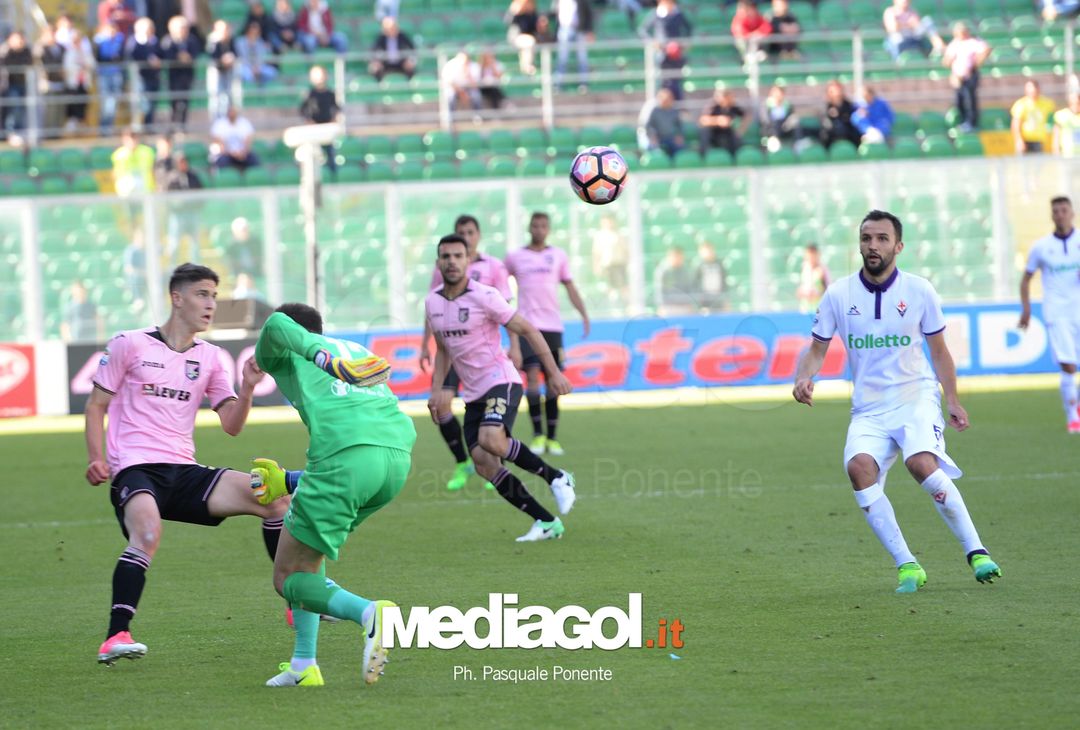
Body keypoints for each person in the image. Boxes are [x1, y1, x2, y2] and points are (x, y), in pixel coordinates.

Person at [86, 263, 287, 665]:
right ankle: (116, 635)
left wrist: (247, 387)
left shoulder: (211, 357)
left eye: (214, 295)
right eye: (202, 294)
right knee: (146, 531)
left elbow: (231, 425)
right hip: (136, 468)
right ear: (177, 298)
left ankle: (297, 598)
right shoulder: (129, 343)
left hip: (183, 470)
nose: (211, 304)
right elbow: (96, 406)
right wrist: (97, 457)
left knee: (274, 501)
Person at [793, 210, 1001, 593]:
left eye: (882, 239)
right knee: (858, 469)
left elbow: (939, 352)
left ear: (898, 246)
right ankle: (907, 564)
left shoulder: (919, 290)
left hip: (915, 396)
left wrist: (951, 399)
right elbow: (816, 349)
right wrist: (804, 376)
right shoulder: (839, 294)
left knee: (921, 462)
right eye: (866, 238)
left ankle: (977, 552)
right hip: (868, 408)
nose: (873, 246)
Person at [248, 303, 410, 687]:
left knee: (286, 577)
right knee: (308, 553)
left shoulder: (297, 354)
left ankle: (370, 613)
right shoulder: (355, 351)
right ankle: (304, 665)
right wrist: (288, 481)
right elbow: (361, 448)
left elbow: (273, 326)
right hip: (394, 461)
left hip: (345, 460)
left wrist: (317, 356)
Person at [427, 234, 577, 542]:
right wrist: (439, 389)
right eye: (446, 256)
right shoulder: (433, 302)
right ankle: (547, 522)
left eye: (458, 255)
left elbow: (527, 328)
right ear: (438, 262)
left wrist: (552, 373)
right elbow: (442, 348)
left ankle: (557, 477)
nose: (452, 261)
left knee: (492, 439)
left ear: (469, 260)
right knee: (484, 463)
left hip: (501, 380)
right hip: (473, 393)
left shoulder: (485, 295)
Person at [419, 215, 511, 491]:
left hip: (482, 354)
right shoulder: (446, 267)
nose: (467, 236)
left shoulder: (494, 266)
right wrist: (425, 344)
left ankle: (495, 463)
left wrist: (514, 347)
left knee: (490, 406)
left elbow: (507, 310)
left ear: (478, 235)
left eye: (470, 232)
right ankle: (462, 462)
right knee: (440, 405)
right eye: (462, 232)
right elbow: (433, 307)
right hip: (451, 351)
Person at [505, 212, 590, 456]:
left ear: (548, 229)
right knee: (532, 378)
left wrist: (583, 313)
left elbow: (570, 286)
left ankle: (552, 438)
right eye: (535, 225)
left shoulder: (558, 256)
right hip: (527, 326)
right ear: (529, 228)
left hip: (552, 326)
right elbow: (501, 285)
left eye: (543, 226)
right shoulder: (515, 257)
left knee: (554, 381)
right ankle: (538, 435)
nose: (539, 229)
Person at [1019, 197, 1080, 433]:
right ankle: (1073, 416)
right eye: (1055, 211)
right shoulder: (1041, 247)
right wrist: (1026, 309)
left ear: (1072, 213)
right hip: (1057, 312)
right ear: (1051, 215)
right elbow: (1026, 279)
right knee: (1068, 365)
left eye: (1063, 210)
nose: (1060, 214)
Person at [942, 22, 990, 133]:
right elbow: (946, 61)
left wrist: (975, 63)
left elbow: (985, 50)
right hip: (957, 76)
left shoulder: (973, 42)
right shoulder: (954, 44)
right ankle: (963, 121)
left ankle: (972, 122)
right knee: (959, 100)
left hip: (970, 74)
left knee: (970, 98)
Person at [158, 15, 202, 129]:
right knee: (174, 101)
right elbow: (166, 56)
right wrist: (178, 58)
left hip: (187, 75)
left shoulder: (192, 40)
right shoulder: (168, 41)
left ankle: (183, 125)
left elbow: (196, 54)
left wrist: (188, 58)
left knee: (185, 101)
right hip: (174, 76)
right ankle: (173, 124)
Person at [299, 65, 341, 171]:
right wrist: (309, 122)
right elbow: (303, 111)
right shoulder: (309, 94)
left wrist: (333, 121)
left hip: (327, 128)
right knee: (314, 154)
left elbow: (336, 108)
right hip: (314, 129)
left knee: (330, 153)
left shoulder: (330, 93)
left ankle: (332, 175)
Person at [124, 17, 161, 128]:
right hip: (140, 78)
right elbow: (131, 57)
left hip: (153, 77)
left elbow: (161, 54)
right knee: (142, 104)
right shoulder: (134, 42)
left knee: (151, 104)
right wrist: (148, 60)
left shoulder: (155, 41)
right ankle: (139, 127)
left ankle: (149, 126)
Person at [0, 31, 34, 143]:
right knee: (14, 108)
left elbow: (29, 63)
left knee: (21, 109)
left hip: (24, 84)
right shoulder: (6, 51)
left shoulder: (26, 51)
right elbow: (8, 65)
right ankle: (10, 132)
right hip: (10, 85)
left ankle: (19, 132)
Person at [94, 21, 126, 133]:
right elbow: (99, 57)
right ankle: (104, 129)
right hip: (104, 75)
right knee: (106, 103)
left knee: (113, 102)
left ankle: (108, 128)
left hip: (116, 74)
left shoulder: (119, 41)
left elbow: (121, 56)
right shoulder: (100, 42)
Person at [553, 0, 594, 90]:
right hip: (564, 29)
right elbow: (554, 14)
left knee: (582, 58)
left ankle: (583, 83)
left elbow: (588, 13)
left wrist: (589, 30)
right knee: (562, 58)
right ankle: (558, 83)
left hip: (580, 30)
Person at [1011, 79, 1056, 155]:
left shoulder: (1047, 103)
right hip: (1025, 140)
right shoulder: (1021, 104)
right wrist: (1019, 140)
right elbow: (1016, 125)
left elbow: (1053, 119)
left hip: (1039, 140)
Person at [698, 88, 746, 157]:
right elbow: (703, 120)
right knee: (705, 133)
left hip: (727, 132)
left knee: (736, 139)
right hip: (714, 132)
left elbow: (746, 116)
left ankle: (734, 159)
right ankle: (703, 157)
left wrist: (741, 128)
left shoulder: (732, 107)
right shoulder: (714, 106)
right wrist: (718, 120)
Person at [505, 0, 549, 75]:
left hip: (531, 38)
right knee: (529, 41)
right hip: (516, 38)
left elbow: (537, 29)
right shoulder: (517, 12)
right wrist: (514, 11)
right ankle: (526, 67)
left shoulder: (532, 14)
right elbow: (508, 21)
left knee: (532, 41)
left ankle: (533, 68)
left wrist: (542, 25)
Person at [210, 105, 259, 170]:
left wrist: (242, 152)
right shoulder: (220, 124)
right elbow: (220, 144)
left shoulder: (244, 123)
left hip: (242, 153)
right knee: (222, 161)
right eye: (230, 111)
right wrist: (232, 153)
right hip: (226, 154)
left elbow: (248, 142)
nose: (232, 113)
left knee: (254, 160)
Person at [368, 16, 416, 82]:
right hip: (385, 65)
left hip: (401, 64)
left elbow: (412, 48)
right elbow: (372, 51)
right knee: (374, 70)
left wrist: (410, 60)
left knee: (411, 70)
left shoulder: (403, 36)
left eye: (394, 27)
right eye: (390, 28)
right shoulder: (381, 38)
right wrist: (375, 62)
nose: (393, 30)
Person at [642, 87, 685, 159]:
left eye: (669, 99)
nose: (667, 101)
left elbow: (679, 125)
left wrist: (679, 135)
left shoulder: (674, 111)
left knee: (680, 149)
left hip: (671, 138)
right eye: (665, 99)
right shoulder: (654, 111)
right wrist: (652, 137)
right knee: (653, 150)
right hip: (657, 138)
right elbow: (648, 126)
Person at [112, 128, 156, 197]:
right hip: (126, 191)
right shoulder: (119, 155)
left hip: (145, 190)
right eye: (128, 139)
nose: (131, 141)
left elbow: (152, 170)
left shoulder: (147, 152)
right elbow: (116, 173)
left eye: (133, 138)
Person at [819, 80, 861, 150]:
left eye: (838, 89)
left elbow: (851, 120)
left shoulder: (849, 105)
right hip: (831, 136)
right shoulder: (827, 107)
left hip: (848, 134)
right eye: (833, 91)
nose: (837, 92)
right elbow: (826, 123)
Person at [654, 246, 695, 315]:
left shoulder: (685, 271)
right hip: (668, 307)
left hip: (684, 306)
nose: (678, 259)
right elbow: (660, 290)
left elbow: (689, 288)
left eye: (680, 257)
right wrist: (661, 306)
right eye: (675, 256)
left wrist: (690, 303)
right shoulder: (663, 271)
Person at [235, 19, 278, 85]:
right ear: (248, 31)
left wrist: (257, 67)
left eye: (257, 31)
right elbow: (240, 58)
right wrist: (251, 68)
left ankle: (262, 89)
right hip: (245, 67)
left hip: (258, 67)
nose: (254, 33)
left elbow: (263, 57)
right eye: (252, 30)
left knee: (272, 73)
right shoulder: (240, 42)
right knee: (247, 75)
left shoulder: (260, 42)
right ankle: (251, 90)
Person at [760, 84, 800, 151]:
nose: (777, 95)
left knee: (796, 124)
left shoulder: (788, 105)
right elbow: (765, 121)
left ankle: (797, 145)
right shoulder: (766, 106)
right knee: (776, 124)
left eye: (779, 93)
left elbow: (791, 117)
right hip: (771, 130)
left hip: (785, 129)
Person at [796, 243, 829, 313]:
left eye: (812, 255)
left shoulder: (822, 270)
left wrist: (817, 293)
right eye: (808, 256)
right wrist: (801, 292)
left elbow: (828, 290)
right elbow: (800, 288)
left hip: (819, 309)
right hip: (805, 309)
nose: (810, 258)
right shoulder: (804, 269)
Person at [694, 241, 727, 312]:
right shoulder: (699, 266)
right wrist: (700, 304)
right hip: (705, 300)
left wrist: (725, 301)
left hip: (718, 299)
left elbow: (724, 283)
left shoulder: (719, 265)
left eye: (709, 250)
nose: (708, 253)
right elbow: (696, 285)